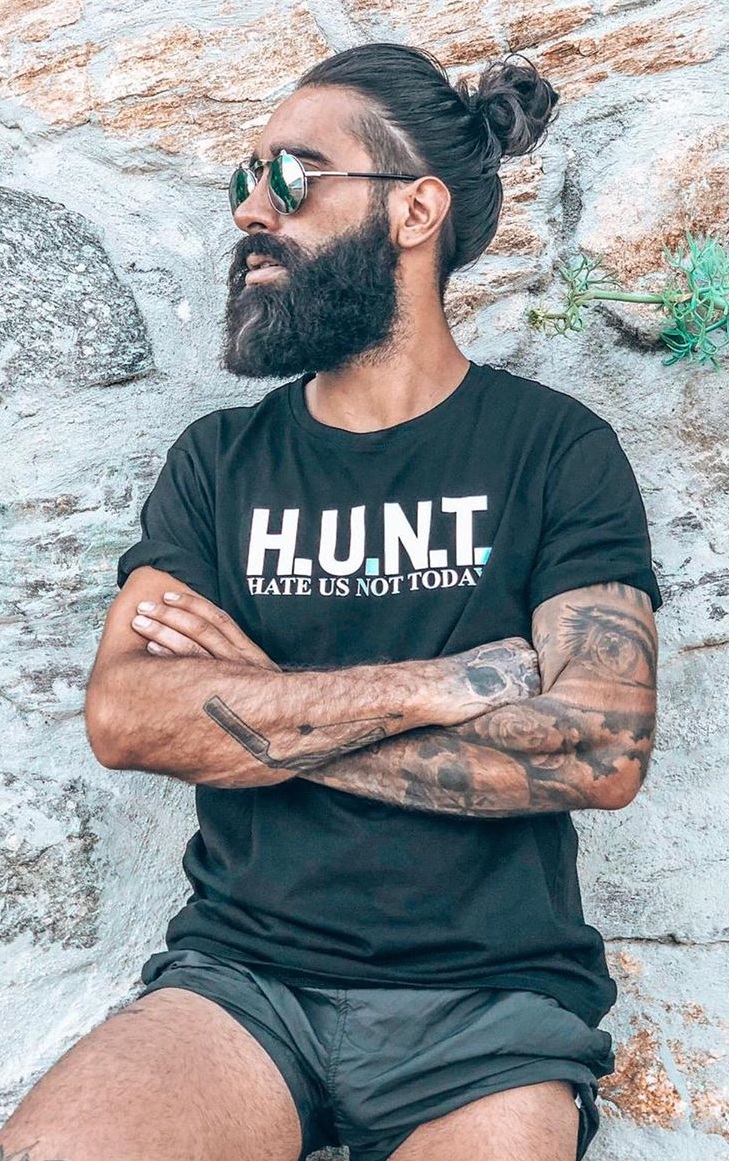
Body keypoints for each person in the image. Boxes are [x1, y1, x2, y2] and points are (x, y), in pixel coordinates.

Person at [0, 42, 661, 1161]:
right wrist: (436, 688)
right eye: (244, 178)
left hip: (494, 1012)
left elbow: (599, 750)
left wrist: (255, 707)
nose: (251, 210)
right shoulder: (218, 461)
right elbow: (125, 717)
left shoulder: (554, 449)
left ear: (415, 210)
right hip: (242, 985)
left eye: (292, 177)